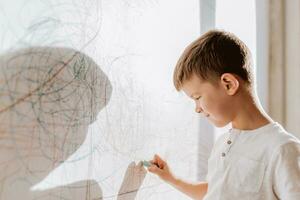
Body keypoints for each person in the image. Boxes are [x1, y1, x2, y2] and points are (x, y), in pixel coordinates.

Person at [147, 30, 300, 200]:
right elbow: (214, 192)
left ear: (228, 84)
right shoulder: (222, 145)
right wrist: (172, 179)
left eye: (197, 98)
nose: (197, 109)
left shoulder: (282, 148)